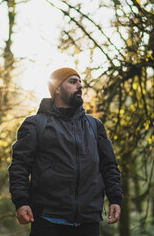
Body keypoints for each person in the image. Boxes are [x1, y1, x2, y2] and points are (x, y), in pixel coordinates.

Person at [9, 67, 123, 236]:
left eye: (80, 81)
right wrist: (21, 202)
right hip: (47, 221)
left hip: (88, 222)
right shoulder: (35, 124)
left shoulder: (95, 126)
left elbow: (109, 166)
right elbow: (19, 167)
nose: (80, 86)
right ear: (56, 88)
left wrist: (115, 198)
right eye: (72, 81)